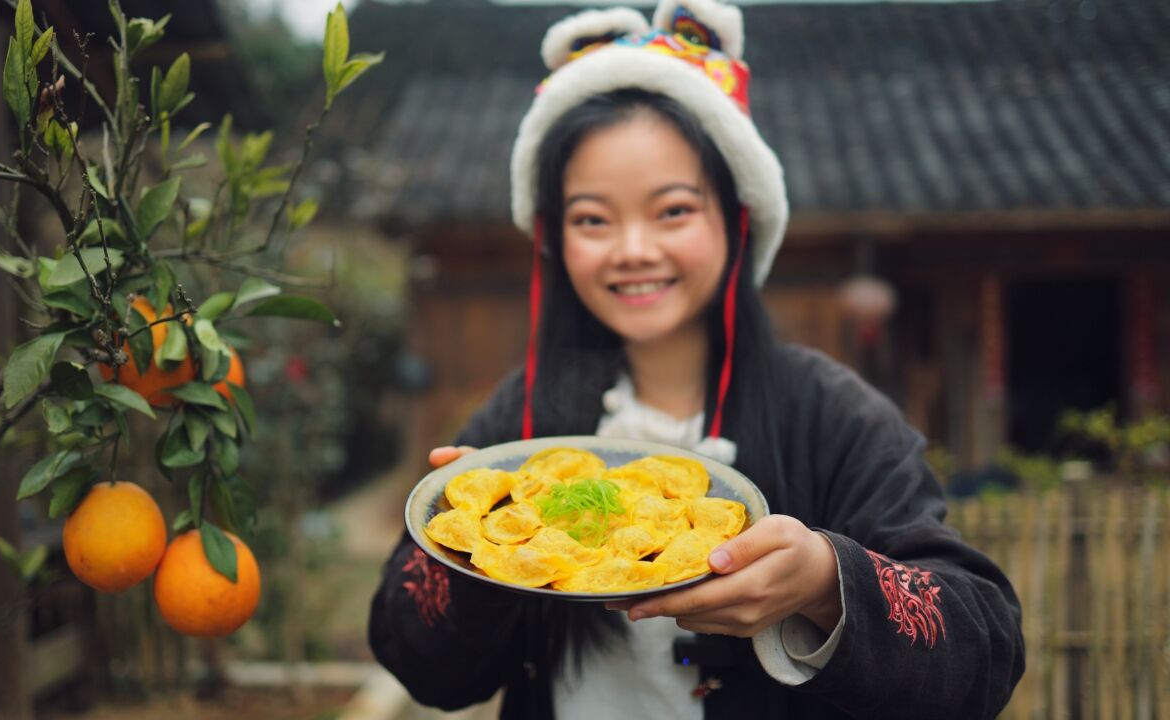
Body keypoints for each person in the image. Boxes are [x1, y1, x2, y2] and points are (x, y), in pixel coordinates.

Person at [369, 0, 1025, 717]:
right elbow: (418, 665)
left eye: (673, 210)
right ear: (555, 239)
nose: (633, 250)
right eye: (593, 219)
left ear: (735, 218)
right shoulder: (518, 429)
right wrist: (468, 560)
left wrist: (824, 584)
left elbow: (985, 648)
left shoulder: (834, 416)